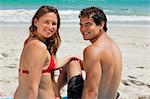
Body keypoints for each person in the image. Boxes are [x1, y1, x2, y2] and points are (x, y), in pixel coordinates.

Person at [14, 5, 82, 99]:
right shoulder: (38, 47)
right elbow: (32, 88)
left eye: (54, 24)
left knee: (73, 63)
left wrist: (71, 56)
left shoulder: (31, 41)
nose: (50, 27)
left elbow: (48, 65)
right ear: (35, 22)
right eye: (46, 22)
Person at [79, 7, 122, 99]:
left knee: (72, 64)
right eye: (81, 24)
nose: (83, 29)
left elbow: (91, 92)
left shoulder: (93, 50)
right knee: (75, 62)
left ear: (101, 25)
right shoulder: (114, 47)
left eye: (88, 24)